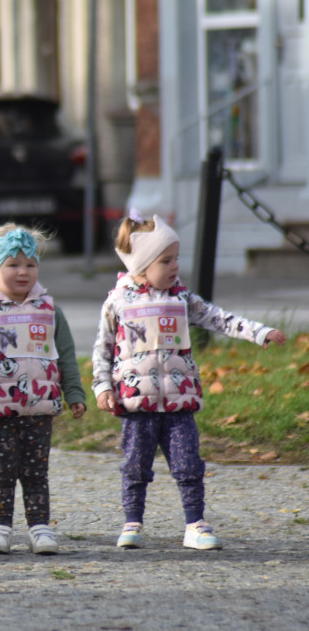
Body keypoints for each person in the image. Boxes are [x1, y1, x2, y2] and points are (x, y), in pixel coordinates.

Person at [92, 210, 288, 551]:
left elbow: (219, 318)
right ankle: (132, 522)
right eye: (165, 260)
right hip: (136, 404)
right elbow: (103, 348)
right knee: (135, 467)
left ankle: (195, 523)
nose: (175, 267)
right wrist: (102, 387)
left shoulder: (181, 299)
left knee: (189, 466)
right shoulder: (117, 302)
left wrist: (260, 332)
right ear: (142, 266)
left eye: (176, 258)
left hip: (179, 402)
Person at [0, 223, 86, 556]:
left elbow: (66, 355)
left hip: (40, 406)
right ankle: (0, 527)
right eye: (13, 264)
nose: (23, 272)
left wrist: (74, 393)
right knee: (2, 470)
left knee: (36, 470)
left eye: (30, 264)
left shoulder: (49, 311)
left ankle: (40, 528)